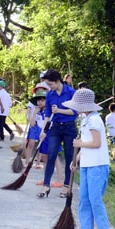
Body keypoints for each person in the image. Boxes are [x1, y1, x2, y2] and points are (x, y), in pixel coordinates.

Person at [63, 88, 112, 229]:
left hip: (97, 165)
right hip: (86, 163)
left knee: (95, 199)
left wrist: (79, 143)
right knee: (84, 198)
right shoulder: (85, 119)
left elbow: (96, 143)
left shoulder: (95, 120)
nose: (75, 108)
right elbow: (85, 146)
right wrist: (76, 159)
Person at [38, 69, 77, 198]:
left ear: (58, 81)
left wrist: (60, 110)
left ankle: (66, 186)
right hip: (55, 128)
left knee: (68, 156)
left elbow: (76, 112)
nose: (50, 87)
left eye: (51, 84)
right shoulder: (50, 95)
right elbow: (48, 114)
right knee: (51, 155)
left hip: (69, 127)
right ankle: (46, 185)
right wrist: (43, 131)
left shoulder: (71, 92)